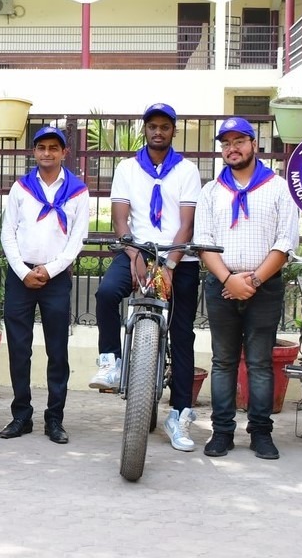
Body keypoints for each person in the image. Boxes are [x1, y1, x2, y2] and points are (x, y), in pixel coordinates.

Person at [91, 103, 204, 452]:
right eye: (152, 126)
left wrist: (169, 266)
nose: (158, 132)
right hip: (136, 252)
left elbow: (186, 223)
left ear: (173, 131)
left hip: (177, 257)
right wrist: (134, 252)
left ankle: (179, 414)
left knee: (182, 334)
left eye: (165, 127)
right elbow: (120, 218)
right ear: (145, 129)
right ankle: (112, 359)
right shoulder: (127, 168)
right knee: (107, 293)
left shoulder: (186, 170)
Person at [194, 117, 298, 460]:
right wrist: (228, 280)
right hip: (221, 284)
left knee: (259, 363)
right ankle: (222, 431)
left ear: (254, 145)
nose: (232, 148)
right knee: (223, 361)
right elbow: (203, 242)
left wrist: (252, 281)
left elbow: (285, 242)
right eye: (226, 143)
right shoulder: (210, 191)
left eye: (239, 141)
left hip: (263, 287)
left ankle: (261, 433)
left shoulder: (278, 187)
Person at [0, 126, 89, 444]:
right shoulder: (21, 188)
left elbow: (76, 240)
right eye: (42, 147)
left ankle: (55, 419)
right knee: (19, 350)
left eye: (54, 147)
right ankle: (21, 416)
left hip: (56, 279)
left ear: (64, 153)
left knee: (57, 351)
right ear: (34, 152)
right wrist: (23, 272)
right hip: (20, 276)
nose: (47, 153)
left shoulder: (78, 191)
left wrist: (49, 271)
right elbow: (7, 232)